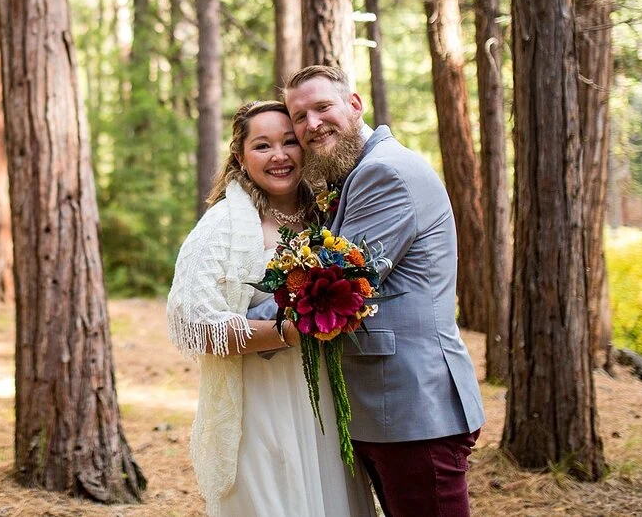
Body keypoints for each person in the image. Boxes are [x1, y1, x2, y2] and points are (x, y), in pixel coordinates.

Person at [285, 64, 486, 517]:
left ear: (354, 104)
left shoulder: (385, 173)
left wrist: (239, 315)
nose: (311, 125)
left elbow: (336, 282)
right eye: (299, 117)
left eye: (322, 107)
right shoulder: (356, 174)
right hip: (387, 408)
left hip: (415, 405)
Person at [164, 101, 375, 517]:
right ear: (240, 157)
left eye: (289, 142)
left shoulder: (327, 215)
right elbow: (194, 323)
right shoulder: (224, 225)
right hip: (261, 404)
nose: (279, 156)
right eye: (263, 146)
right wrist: (287, 332)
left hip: (327, 402)